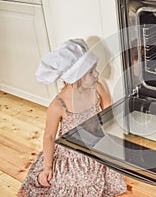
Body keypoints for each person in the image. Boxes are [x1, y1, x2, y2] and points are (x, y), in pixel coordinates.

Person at [18, 38, 127, 196]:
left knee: (109, 170)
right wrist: (48, 167)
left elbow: (109, 110)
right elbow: (49, 136)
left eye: (95, 69)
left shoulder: (97, 88)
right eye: (91, 72)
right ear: (76, 78)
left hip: (95, 147)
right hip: (73, 154)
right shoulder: (58, 105)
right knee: (72, 183)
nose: (97, 74)